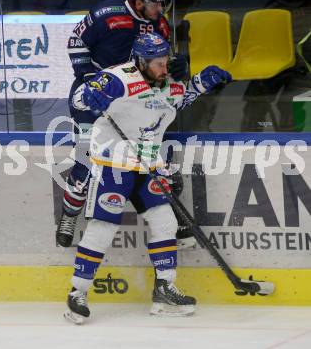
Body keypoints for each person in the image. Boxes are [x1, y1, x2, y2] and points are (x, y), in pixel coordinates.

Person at [64, 32, 232, 324]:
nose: (164, 69)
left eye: (166, 62)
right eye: (157, 64)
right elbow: (80, 98)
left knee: (165, 222)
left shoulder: (167, 82)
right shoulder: (119, 77)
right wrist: (87, 96)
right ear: (141, 62)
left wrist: (202, 82)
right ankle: (77, 292)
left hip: (147, 165)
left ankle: (164, 290)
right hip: (112, 164)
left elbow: (180, 99)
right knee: (103, 227)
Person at [57, 0, 194, 249]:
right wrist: (90, 82)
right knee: (86, 162)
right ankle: (69, 215)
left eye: (163, 2)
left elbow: (162, 62)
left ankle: (171, 217)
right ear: (138, 0)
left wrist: (180, 66)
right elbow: (76, 43)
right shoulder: (108, 14)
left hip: (136, 102)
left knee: (156, 159)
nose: (160, 8)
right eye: (155, 3)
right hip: (96, 97)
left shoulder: (160, 24)